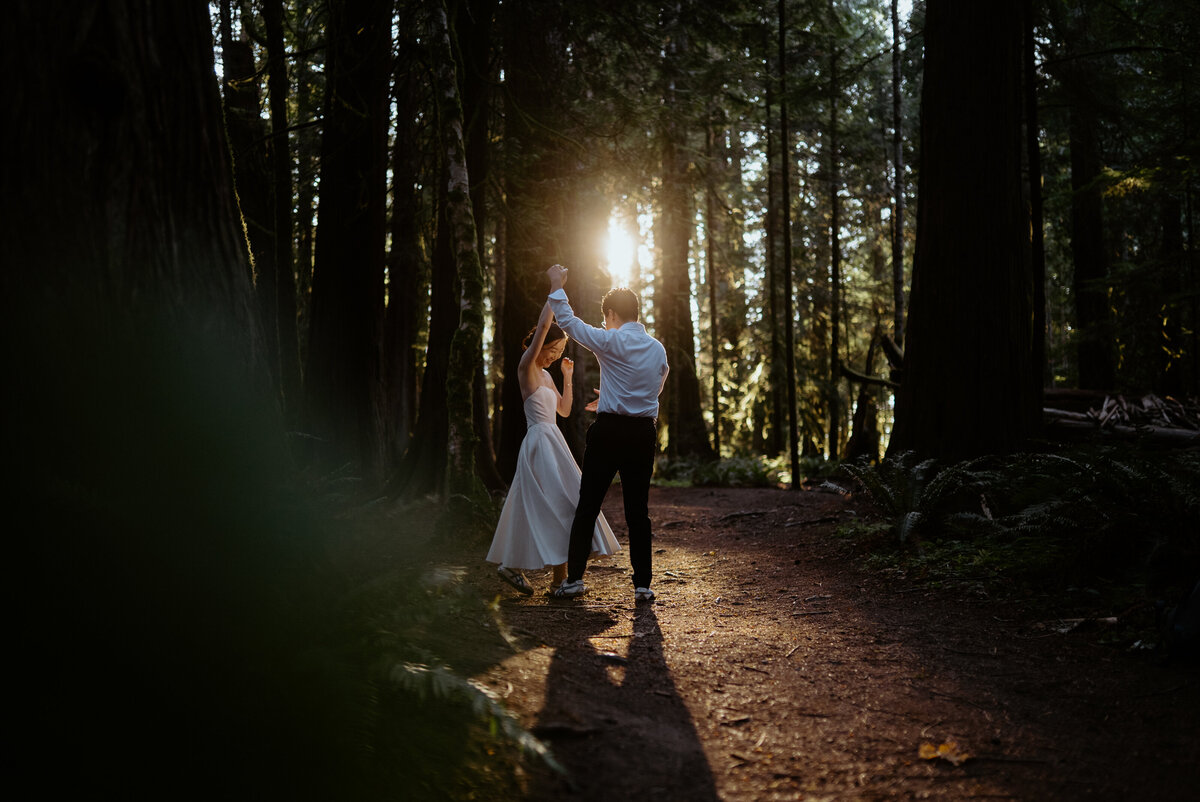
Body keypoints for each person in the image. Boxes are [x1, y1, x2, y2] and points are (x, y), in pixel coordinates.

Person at [545, 264, 669, 602]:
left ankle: (574, 580)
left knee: (588, 504)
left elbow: (568, 322)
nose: (604, 324)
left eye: (605, 318)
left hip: (609, 431)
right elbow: (654, 390)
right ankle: (643, 585)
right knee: (637, 510)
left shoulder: (610, 340)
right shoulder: (658, 349)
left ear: (612, 313)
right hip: (643, 433)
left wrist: (557, 283)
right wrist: (615, 396)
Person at [486, 301, 620, 595]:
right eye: (552, 350)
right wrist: (553, 295)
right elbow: (544, 327)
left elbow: (563, 409)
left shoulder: (547, 376)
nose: (554, 357)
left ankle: (556, 579)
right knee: (554, 502)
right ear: (541, 344)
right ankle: (524, 568)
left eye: (559, 353)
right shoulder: (527, 367)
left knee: (562, 501)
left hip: (554, 442)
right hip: (537, 442)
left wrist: (568, 378)